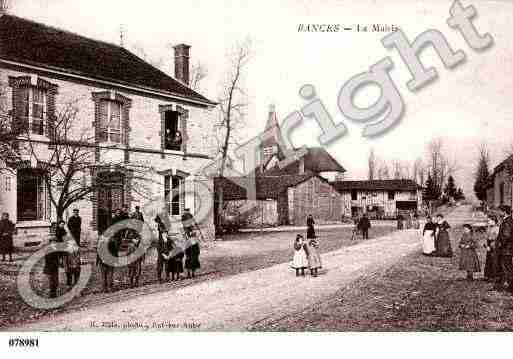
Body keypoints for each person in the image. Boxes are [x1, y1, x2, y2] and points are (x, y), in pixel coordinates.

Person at [496, 205, 513, 293]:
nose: (498, 213)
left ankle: (510, 288)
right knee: (506, 267)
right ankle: (507, 286)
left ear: (504, 212)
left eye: (500, 211)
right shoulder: (508, 220)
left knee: (506, 267)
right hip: (507, 249)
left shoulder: (507, 222)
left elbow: (506, 236)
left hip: (506, 249)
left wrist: (500, 244)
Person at [484, 216, 501, 282]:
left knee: (495, 261)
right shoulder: (489, 228)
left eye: (489, 220)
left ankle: (495, 276)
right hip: (489, 245)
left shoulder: (497, 228)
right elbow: (487, 237)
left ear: (494, 221)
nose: (488, 222)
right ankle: (489, 275)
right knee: (489, 260)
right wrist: (486, 245)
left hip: (494, 245)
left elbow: (496, 238)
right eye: (488, 221)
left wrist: (490, 243)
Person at [155, 216, 171, 282]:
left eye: (166, 233)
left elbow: (170, 247)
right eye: (164, 233)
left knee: (167, 266)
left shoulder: (168, 240)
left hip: (167, 254)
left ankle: (167, 277)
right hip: (161, 254)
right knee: (160, 266)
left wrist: (169, 254)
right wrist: (162, 254)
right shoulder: (159, 241)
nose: (165, 234)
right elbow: (158, 248)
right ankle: (159, 278)